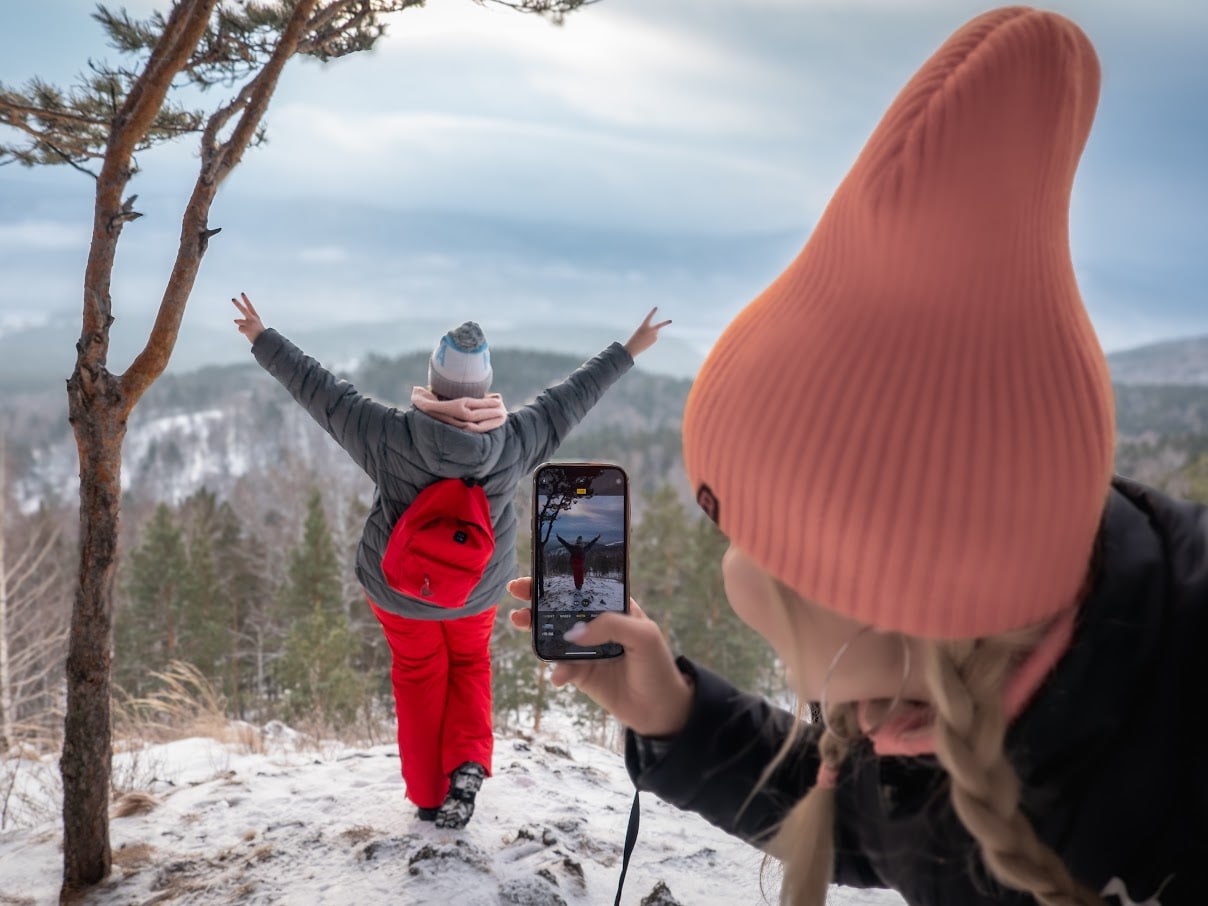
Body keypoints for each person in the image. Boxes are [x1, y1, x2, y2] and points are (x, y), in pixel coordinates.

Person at [508, 7, 1204, 905]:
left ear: (882, 585)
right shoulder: (962, 675)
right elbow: (882, 827)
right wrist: (674, 715)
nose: (733, 566)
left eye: (754, 540)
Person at [232, 293, 670, 829]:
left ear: (434, 380)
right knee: (468, 667)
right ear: (484, 388)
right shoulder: (515, 441)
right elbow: (573, 397)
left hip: (399, 591)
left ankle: (427, 797)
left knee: (418, 677)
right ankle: (467, 765)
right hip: (475, 591)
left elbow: (320, 391)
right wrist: (630, 348)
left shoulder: (388, 434)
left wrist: (262, 336)